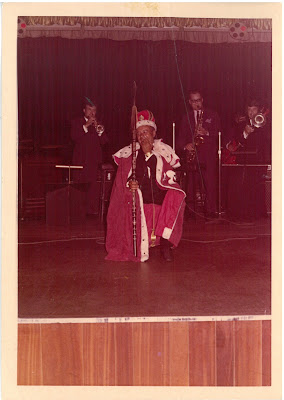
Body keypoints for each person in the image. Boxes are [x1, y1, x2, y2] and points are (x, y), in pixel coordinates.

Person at [105, 110, 186, 263]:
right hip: (140, 197)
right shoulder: (130, 153)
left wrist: (150, 154)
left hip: (160, 195)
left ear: (153, 133)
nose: (143, 136)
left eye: (146, 132)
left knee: (177, 194)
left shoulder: (163, 150)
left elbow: (167, 175)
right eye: (139, 133)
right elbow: (125, 178)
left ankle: (165, 243)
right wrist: (131, 182)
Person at [224, 99, 271, 220]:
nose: (251, 112)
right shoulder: (240, 124)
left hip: (259, 159)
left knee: (258, 186)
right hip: (244, 158)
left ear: (259, 110)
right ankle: (241, 214)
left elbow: (267, 140)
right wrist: (245, 132)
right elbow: (236, 142)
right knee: (240, 185)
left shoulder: (266, 123)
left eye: (254, 109)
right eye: (249, 109)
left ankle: (259, 213)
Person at [176, 90, 221, 218]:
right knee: (190, 183)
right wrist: (186, 146)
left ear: (202, 100)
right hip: (193, 154)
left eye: (199, 100)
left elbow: (219, 134)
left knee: (210, 183)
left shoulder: (213, 115)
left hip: (208, 155)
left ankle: (210, 211)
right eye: (194, 101)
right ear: (190, 102)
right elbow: (180, 139)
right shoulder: (186, 118)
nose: (197, 103)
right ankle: (190, 211)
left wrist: (206, 132)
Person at [71, 98, 108, 215]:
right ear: (84, 110)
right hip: (80, 161)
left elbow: (104, 142)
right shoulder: (76, 122)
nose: (92, 113)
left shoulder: (99, 124)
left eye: (94, 110)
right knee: (80, 187)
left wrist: (100, 132)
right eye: (89, 109)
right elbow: (73, 137)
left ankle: (91, 212)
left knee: (93, 188)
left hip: (94, 162)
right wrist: (85, 126)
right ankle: (78, 212)